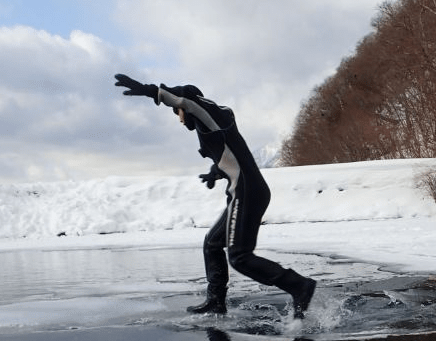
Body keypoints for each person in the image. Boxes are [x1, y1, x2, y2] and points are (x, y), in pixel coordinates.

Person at [114, 74, 316, 317]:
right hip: (243, 190)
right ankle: (216, 301)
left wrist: (151, 91)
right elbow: (229, 155)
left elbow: (187, 99)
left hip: (247, 190)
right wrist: (214, 172)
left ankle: (299, 285)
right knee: (212, 243)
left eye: (178, 113)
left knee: (240, 257)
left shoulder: (208, 112)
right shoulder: (210, 126)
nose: (179, 120)